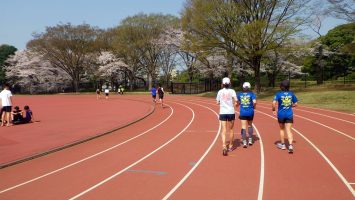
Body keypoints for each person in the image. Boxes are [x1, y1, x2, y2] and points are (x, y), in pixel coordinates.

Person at [272, 80, 298, 154]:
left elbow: (273, 103)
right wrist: (290, 105)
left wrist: (273, 110)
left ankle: (283, 145)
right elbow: (296, 104)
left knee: (282, 129)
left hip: (281, 114)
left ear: (281, 87)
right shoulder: (291, 94)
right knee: (289, 130)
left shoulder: (278, 94)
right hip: (289, 114)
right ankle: (290, 146)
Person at [216, 77, 237, 156]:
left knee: (223, 130)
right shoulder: (232, 91)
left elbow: (217, 102)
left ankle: (224, 146)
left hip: (223, 112)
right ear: (229, 84)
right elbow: (236, 101)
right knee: (231, 129)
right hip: (231, 112)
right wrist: (235, 104)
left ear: (222, 84)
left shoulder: (220, 92)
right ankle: (231, 145)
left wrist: (221, 102)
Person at [236, 82, 256, 148]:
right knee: (250, 125)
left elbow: (238, 103)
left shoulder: (239, 94)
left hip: (243, 112)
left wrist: (237, 105)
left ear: (243, 87)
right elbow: (254, 102)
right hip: (250, 112)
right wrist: (254, 107)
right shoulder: (252, 94)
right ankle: (250, 140)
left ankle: (244, 142)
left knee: (243, 126)